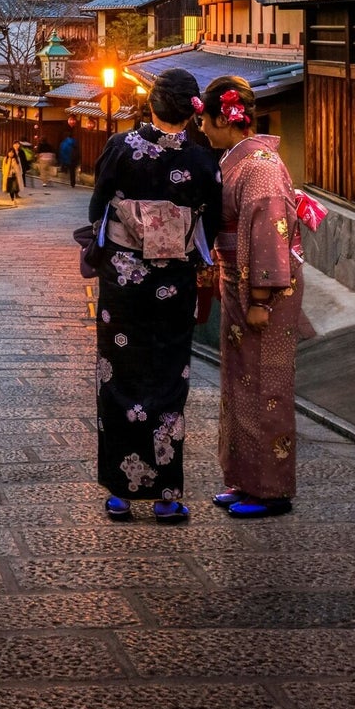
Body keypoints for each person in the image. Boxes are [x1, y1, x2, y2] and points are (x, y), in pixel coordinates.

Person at [87, 68, 222, 523]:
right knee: (167, 379)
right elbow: (212, 221)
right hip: (174, 284)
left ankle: (121, 494)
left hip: (124, 282)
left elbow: (98, 206)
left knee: (118, 374)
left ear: (151, 104)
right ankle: (167, 495)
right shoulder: (203, 160)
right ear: (192, 110)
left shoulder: (120, 147)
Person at [198, 75, 307, 519]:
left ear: (226, 117)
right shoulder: (239, 160)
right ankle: (244, 479)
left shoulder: (258, 167)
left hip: (264, 294)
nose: (201, 128)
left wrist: (261, 298)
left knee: (266, 386)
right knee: (241, 383)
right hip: (239, 285)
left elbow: (268, 236)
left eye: (205, 120)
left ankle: (271, 490)